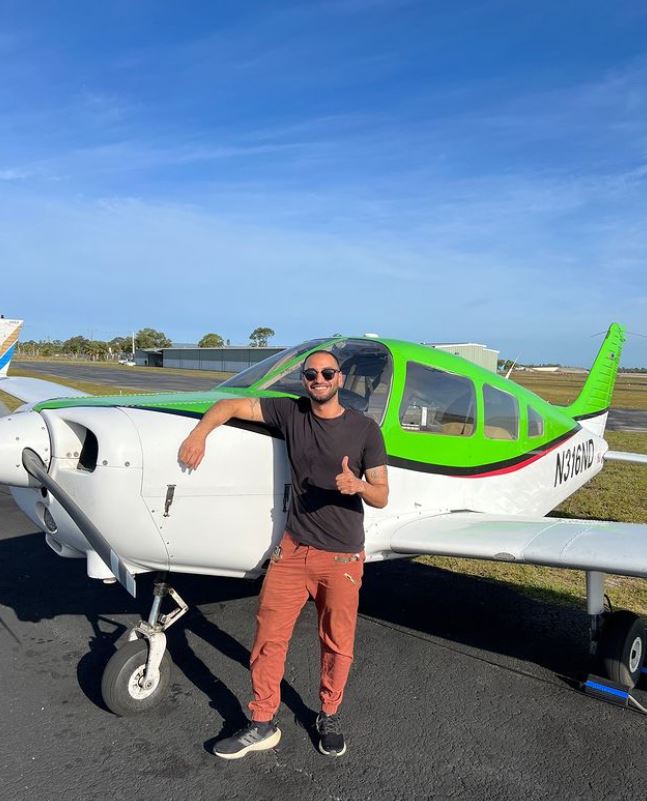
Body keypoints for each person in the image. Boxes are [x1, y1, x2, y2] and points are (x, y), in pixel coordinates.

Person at [178, 349, 389, 759]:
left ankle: (329, 714)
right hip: (292, 550)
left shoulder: (365, 430)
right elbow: (230, 404)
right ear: (304, 380)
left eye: (327, 372)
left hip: (342, 558)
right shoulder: (291, 412)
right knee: (268, 639)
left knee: (337, 643)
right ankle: (262, 722)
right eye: (311, 374)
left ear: (339, 378)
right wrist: (199, 434)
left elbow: (382, 495)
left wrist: (359, 486)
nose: (319, 379)